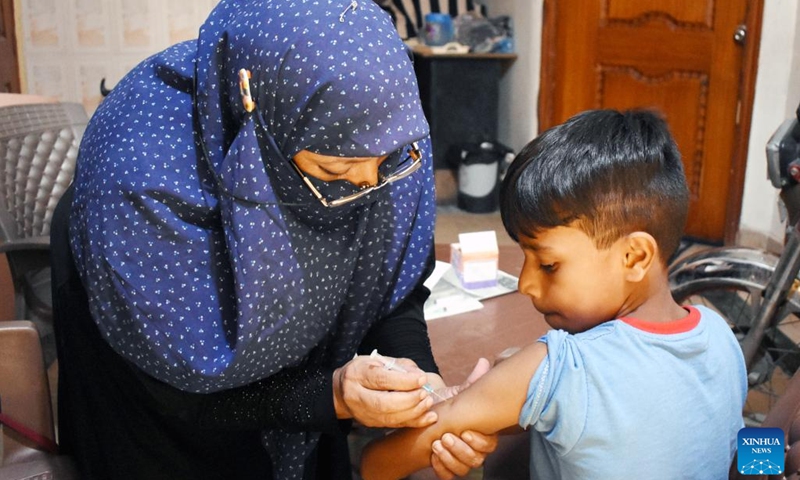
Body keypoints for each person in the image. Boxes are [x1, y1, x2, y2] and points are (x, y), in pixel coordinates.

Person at [50, 1, 497, 479]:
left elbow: (388, 281)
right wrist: (330, 395)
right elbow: (174, 391)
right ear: (260, 124)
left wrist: (422, 379)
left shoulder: (383, 132)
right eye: (334, 171)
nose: (367, 185)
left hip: (305, 389)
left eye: (387, 163)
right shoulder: (141, 178)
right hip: (160, 405)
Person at [360, 109, 748, 480]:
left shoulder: (559, 368)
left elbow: (377, 465)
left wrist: (519, 383)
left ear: (634, 257)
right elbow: (740, 453)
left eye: (547, 265)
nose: (526, 284)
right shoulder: (723, 337)